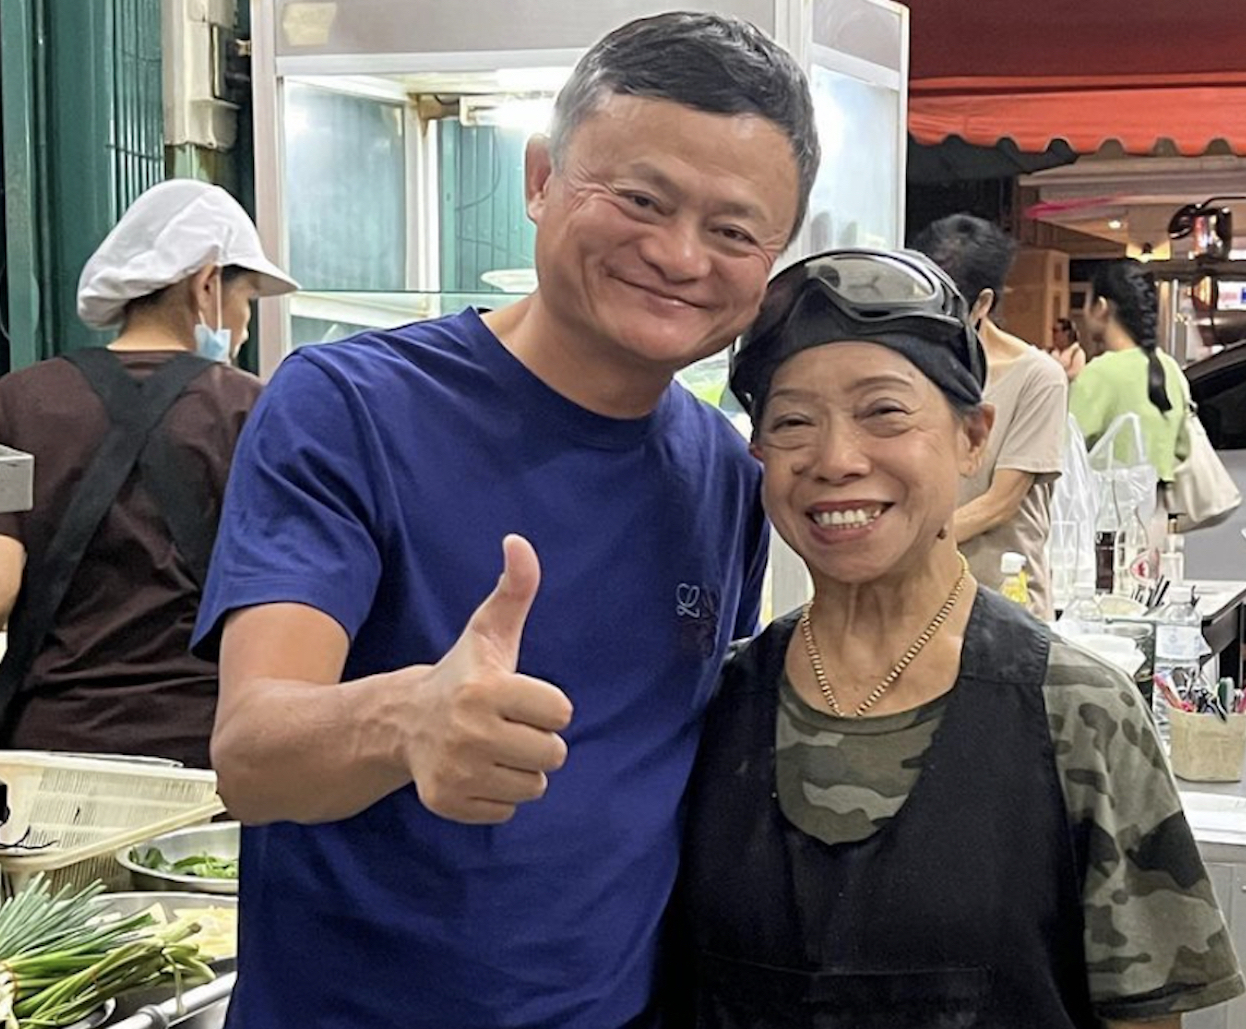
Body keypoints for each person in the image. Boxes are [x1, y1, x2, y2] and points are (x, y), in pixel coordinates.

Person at [193, 13, 817, 1029]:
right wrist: (405, 721)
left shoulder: (720, 471)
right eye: (641, 199)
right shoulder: (346, 407)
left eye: (734, 231)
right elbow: (251, 753)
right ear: (540, 179)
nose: (678, 255)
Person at [675, 248, 1244, 1028]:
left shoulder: (1077, 711)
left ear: (974, 437)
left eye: (884, 411)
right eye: (794, 421)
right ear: (760, 454)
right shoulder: (714, 702)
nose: (837, 459)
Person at [0, 179, 298, 767]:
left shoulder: (19, 401)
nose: (247, 324)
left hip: (53, 750)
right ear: (207, 283)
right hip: (205, 755)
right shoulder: (255, 410)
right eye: (247, 298)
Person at [916, 215, 1068, 619]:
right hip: (921, 600)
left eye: (944, 308)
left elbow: (999, 504)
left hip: (1007, 605)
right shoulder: (916, 368)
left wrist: (907, 545)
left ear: (983, 304)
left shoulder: (1038, 378)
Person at [1069, 262, 1189, 486]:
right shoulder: (1168, 367)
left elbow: (1066, 449)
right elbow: (1183, 447)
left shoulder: (1100, 373)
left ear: (1101, 307)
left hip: (1110, 510)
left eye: (1086, 301)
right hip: (1162, 510)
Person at [1049, 316, 1088, 381]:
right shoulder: (1051, 352)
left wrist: (1055, 375)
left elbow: (1075, 374)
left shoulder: (1077, 353)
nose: (1053, 335)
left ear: (1066, 333)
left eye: (1056, 331)